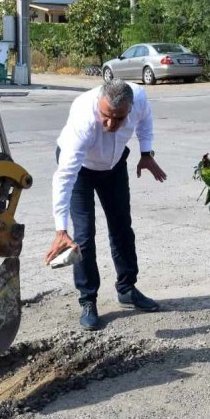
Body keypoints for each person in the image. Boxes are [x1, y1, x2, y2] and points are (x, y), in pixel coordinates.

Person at [44, 79, 167, 331]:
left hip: (114, 165)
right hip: (82, 170)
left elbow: (146, 121)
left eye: (119, 119)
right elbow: (64, 177)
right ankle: (88, 300)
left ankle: (127, 289)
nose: (111, 124)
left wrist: (146, 153)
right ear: (99, 106)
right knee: (84, 234)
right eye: (105, 116)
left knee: (122, 226)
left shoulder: (139, 98)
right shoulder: (83, 118)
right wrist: (60, 229)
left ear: (129, 109)